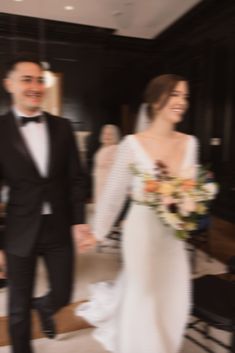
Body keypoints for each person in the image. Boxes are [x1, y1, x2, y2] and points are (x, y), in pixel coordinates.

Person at [76, 74, 198, 353]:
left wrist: (189, 204)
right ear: (156, 101)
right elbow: (113, 196)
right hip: (141, 233)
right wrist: (97, 232)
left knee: (175, 294)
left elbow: (191, 185)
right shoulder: (131, 144)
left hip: (173, 235)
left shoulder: (191, 143)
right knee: (143, 295)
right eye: (175, 95)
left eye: (185, 96)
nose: (182, 102)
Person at [0, 54, 91, 353]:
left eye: (40, 80)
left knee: (64, 293)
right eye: (27, 79)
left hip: (58, 227)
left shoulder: (63, 127)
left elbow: (76, 179)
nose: (35, 86)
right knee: (16, 308)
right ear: (9, 84)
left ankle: (44, 305)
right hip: (18, 229)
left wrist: (79, 220)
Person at [93, 124, 121, 204]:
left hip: (108, 183)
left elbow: (116, 170)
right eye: (105, 133)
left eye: (110, 134)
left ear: (115, 136)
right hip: (99, 181)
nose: (107, 136)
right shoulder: (103, 147)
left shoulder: (115, 148)